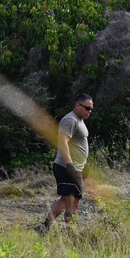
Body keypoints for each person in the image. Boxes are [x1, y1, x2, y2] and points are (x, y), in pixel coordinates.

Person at [38, 94, 93, 233]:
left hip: (76, 167)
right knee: (71, 201)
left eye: (91, 109)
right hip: (66, 167)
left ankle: (44, 228)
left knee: (65, 200)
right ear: (78, 105)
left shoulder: (79, 121)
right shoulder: (70, 120)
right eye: (87, 108)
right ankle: (70, 233)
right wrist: (69, 165)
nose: (89, 111)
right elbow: (62, 143)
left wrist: (83, 164)